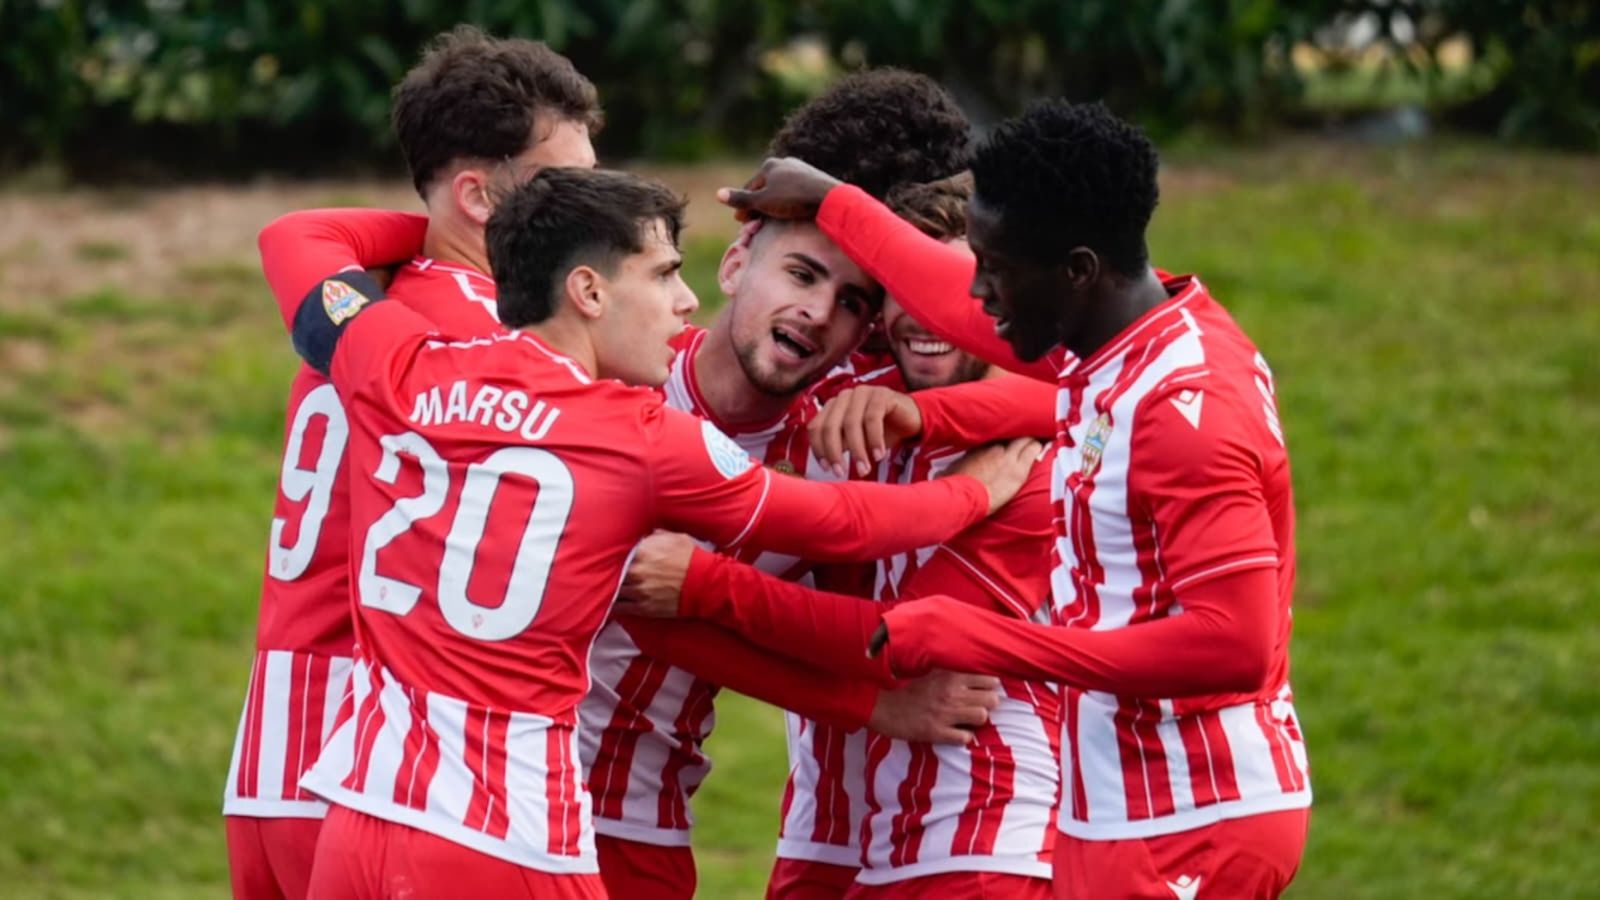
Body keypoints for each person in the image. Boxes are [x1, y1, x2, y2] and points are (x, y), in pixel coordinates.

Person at [270, 166, 1037, 898]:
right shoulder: (635, 427)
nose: (683, 300)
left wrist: (485, 232)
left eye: (855, 303)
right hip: (518, 824)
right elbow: (834, 531)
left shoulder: (413, 365)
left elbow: (295, 242)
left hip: (378, 802)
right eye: (669, 275)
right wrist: (974, 489)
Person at [720, 100, 1312, 898]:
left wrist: (993, 641)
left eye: (995, 271)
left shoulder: (1185, 409)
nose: (978, 299)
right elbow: (946, 294)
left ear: (1074, 270)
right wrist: (830, 199)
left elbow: (1235, 647)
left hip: (1192, 811)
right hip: (1118, 802)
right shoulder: (1115, 345)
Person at [224, 26, 599, 900]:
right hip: (370, 772)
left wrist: (423, 232)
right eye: (565, 189)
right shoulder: (482, 343)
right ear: (476, 194)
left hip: (272, 756)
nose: (593, 212)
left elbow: (296, 231)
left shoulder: (374, 302)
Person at [620, 175, 1062, 898]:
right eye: (906, 289)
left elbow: (901, 639)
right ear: (733, 265)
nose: (931, 313)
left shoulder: (1025, 455)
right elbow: (652, 615)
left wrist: (703, 587)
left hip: (982, 839)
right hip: (830, 837)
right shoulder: (622, 386)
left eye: (853, 296)